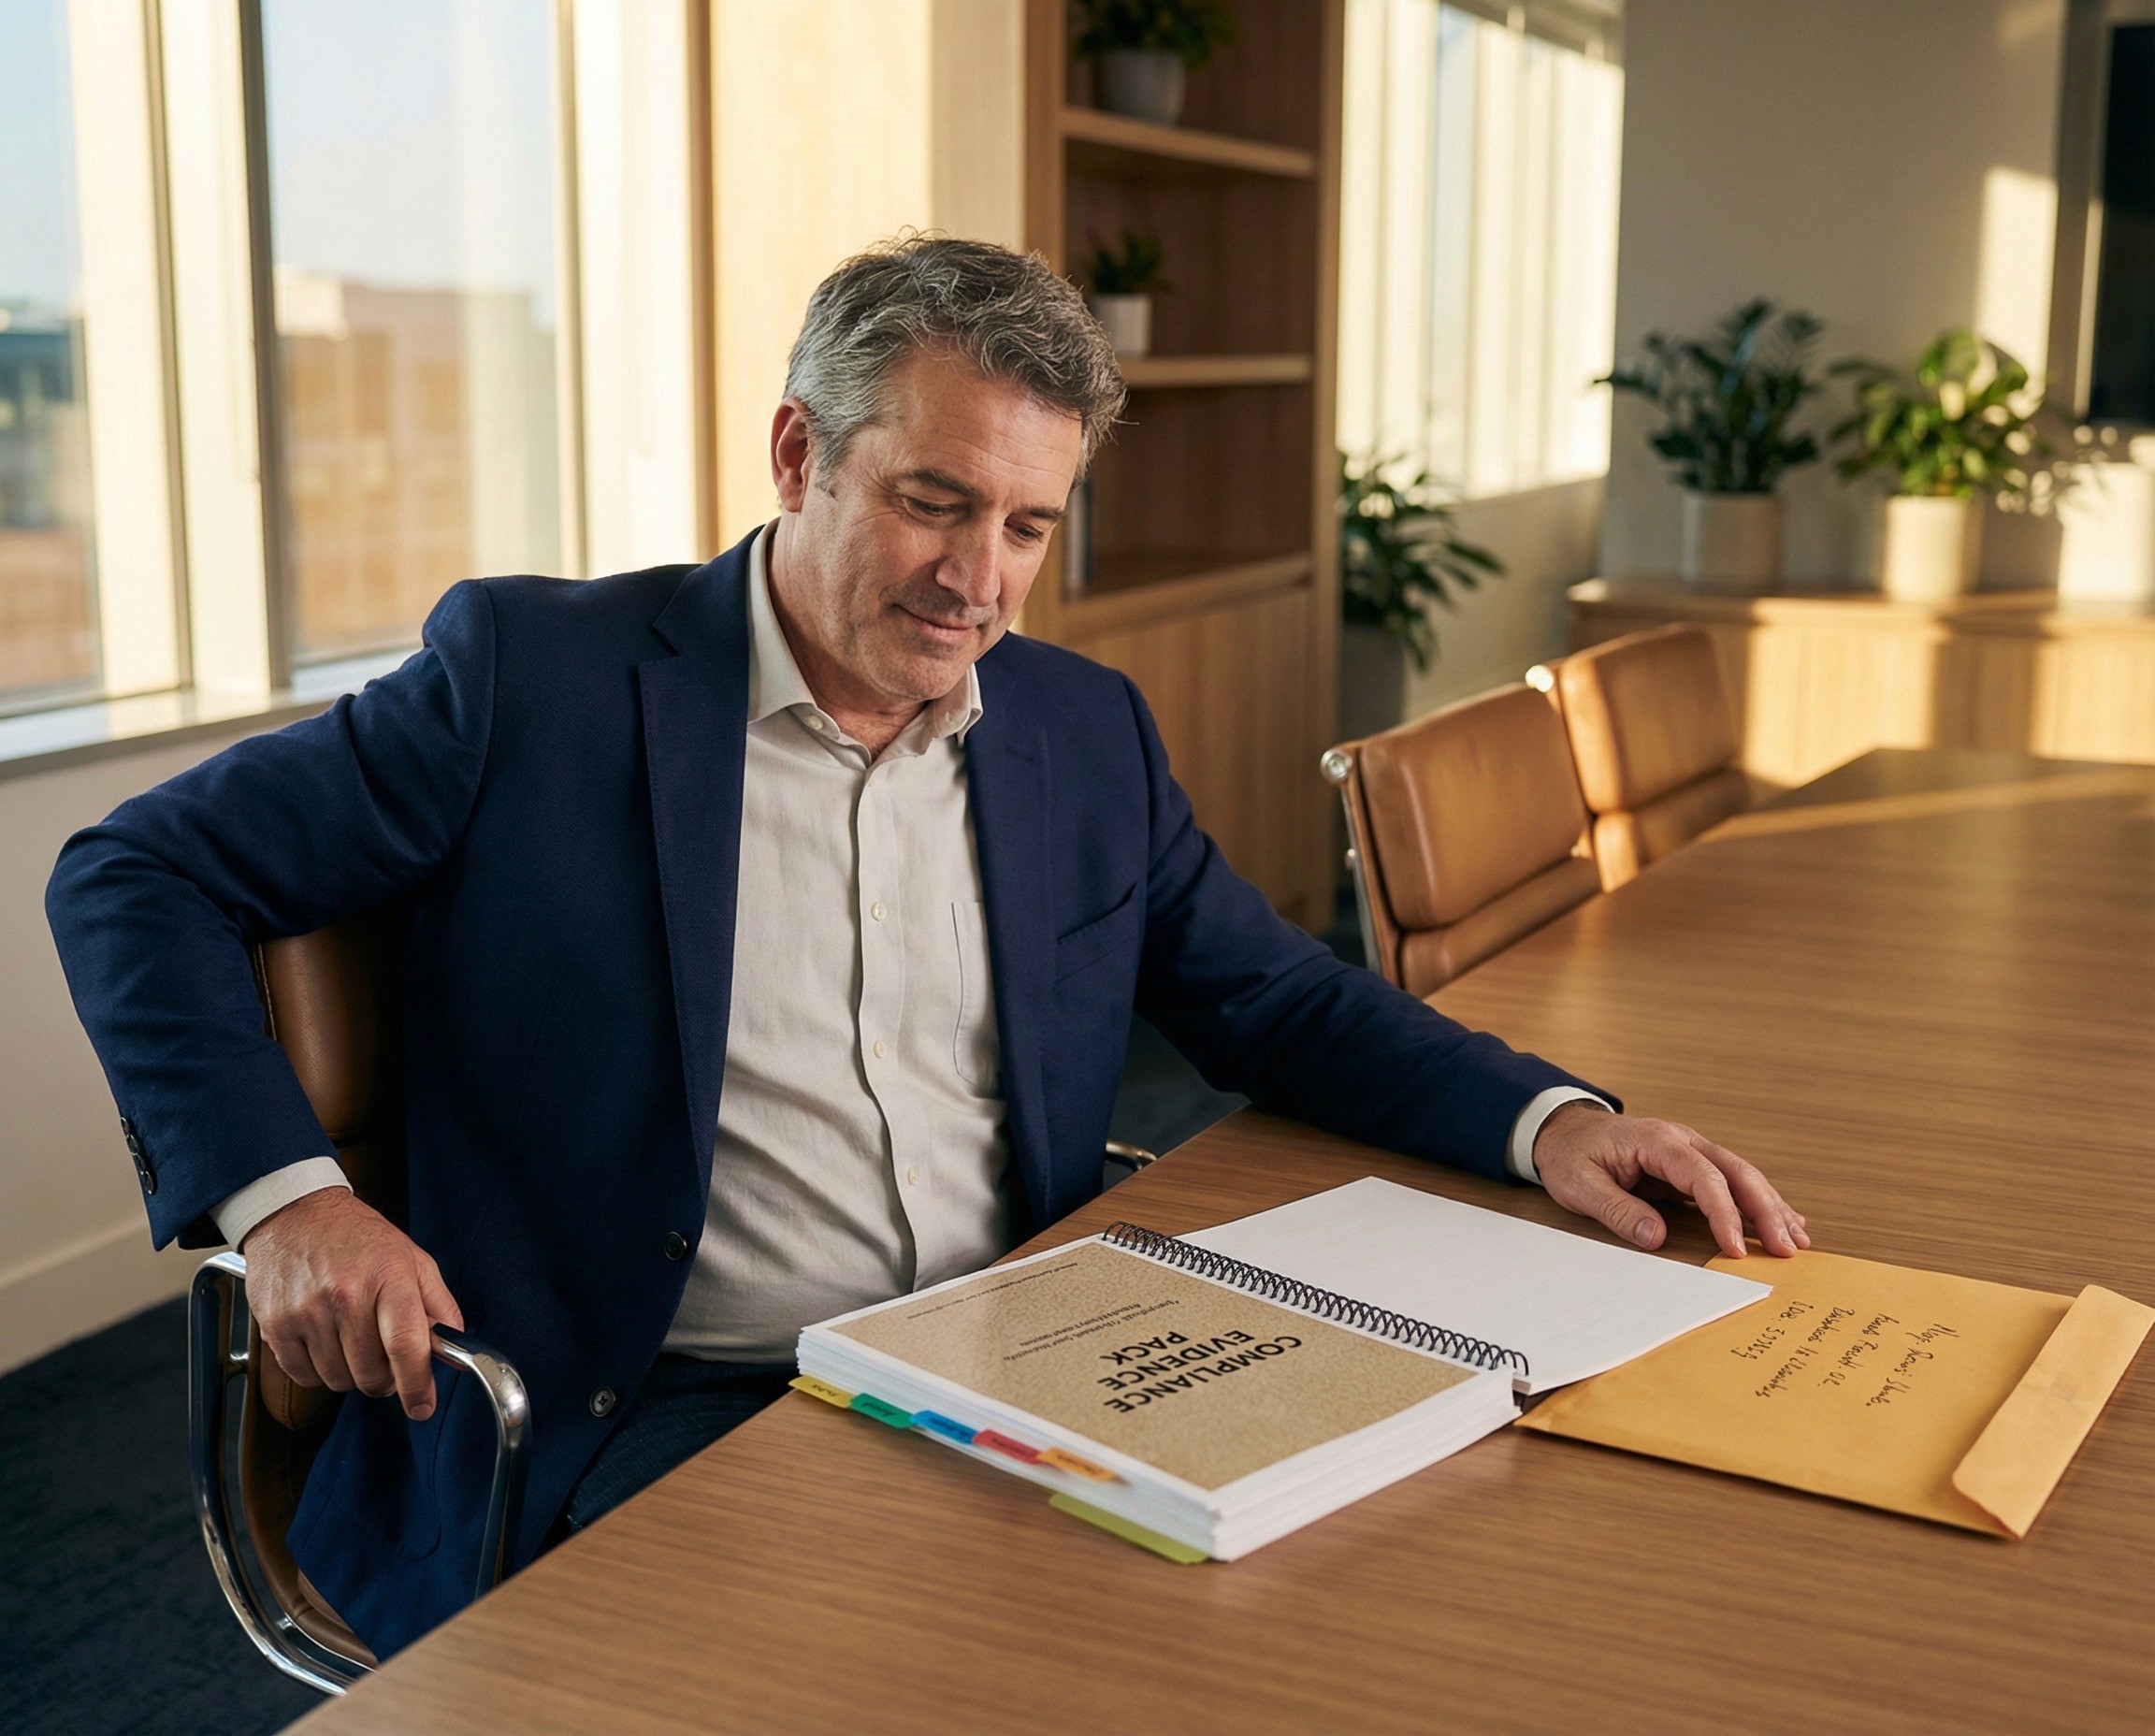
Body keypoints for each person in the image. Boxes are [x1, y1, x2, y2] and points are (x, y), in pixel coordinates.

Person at [47, 236, 1806, 1658]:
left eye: (1028, 526)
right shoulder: (536, 683)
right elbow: (134, 875)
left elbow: (1270, 995)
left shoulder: (1079, 731)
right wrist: (293, 1202)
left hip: (1029, 1350)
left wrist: (1549, 1123)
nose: (980, 579)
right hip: (668, 1399)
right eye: (935, 501)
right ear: (797, 455)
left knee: (1423, 1590)